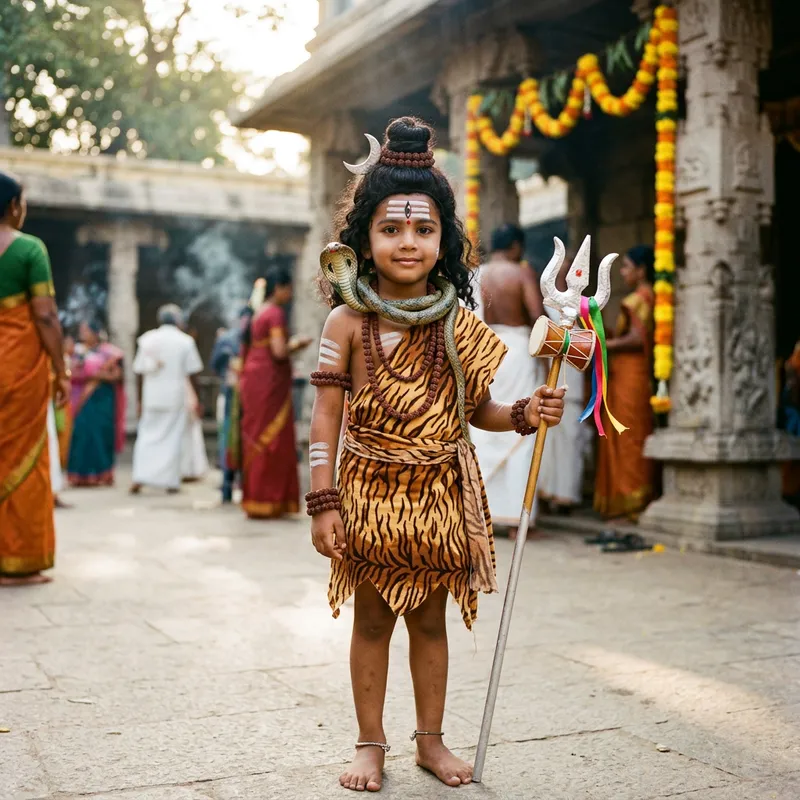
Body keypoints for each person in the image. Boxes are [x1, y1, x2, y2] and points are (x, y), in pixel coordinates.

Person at [308, 117, 566, 791]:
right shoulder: (347, 320)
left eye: (424, 229)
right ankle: (370, 743)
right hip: (368, 490)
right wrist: (322, 501)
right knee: (370, 619)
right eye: (391, 228)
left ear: (445, 239)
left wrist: (521, 415)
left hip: (439, 494)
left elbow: (472, 408)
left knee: (429, 619)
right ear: (362, 238)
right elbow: (326, 416)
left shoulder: (457, 321)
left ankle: (430, 741)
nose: (408, 242)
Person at [0, 171, 69, 585]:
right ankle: (17, 561)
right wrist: (61, 370)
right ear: (13, 206)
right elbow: (44, 315)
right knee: (23, 463)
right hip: (16, 370)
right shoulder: (29, 249)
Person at [470, 223, 546, 537]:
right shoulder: (521, 273)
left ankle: (480, 510)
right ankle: (517, 519)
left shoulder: (477, 275)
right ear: (516, 246)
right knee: (523, 425)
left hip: (485, 350)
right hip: (517, 352)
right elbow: (538, 316)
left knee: (484, 430)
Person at [238, 269, 311, 519]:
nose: (290, 295)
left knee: (256, 435)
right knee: (274, 439)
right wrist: (298, 345)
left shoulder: (257, 312)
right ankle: (270, 498)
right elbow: (279, 352)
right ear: (278, 288)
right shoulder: (275, 314)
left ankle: (255, 498)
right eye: (288, 289)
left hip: (253, 377)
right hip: (270, 379)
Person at [594, 244, 656, 519]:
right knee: (629, 434)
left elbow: (637, 339)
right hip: (632, 374)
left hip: (631, 375)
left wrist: (604, 344)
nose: (623, 272)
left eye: (628, 266)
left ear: (641, 271)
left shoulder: (639, 299)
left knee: (629, 435)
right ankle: (628, 497)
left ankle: (633, 496)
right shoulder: (647, 297)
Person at [130, 304, 204, 494]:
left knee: (146, 437)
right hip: (174, 397)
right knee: (172, 439)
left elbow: (139, 372)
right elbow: (193, 373)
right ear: (178, 321)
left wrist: (139, 400)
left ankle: (140, 477)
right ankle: (170, 482)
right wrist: (197, 399)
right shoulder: (185, 341)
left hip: (151, 397)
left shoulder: (147, 340)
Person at [539, 254, 588, 514]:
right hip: (549, 381)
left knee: (570, 441)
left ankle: (566, 497)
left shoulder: (586, 308)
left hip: (574, 382)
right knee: (549, 442)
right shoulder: (545, 303)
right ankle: (548, 494)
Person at [66, 321, 125, 486]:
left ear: (96, 332)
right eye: (81, 331)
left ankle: (101, 474)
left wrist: (97, 376)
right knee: (82, 433)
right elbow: (70, 372)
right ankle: (80, 475)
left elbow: (118, 376)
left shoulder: (109, 352)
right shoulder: (77, 352)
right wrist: (88, 374)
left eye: (86, 331)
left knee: (101, 434)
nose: (83, 334)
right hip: (81, 398)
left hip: (102, 399)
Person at [210, 309, 250, 503]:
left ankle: (236, 487)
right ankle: (229, 486)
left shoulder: (228, 338)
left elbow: (215, 366)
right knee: (230, 440)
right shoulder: (229, 339)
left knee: (234, 440)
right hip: (236, 397)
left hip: (246, 396)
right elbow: (216, 365)